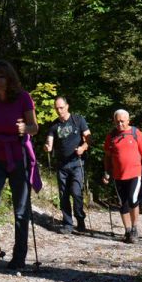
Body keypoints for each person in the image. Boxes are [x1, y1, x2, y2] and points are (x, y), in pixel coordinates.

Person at [0, 61, 41, 272]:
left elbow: (35, 128)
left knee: (21, 208)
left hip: (18, 155)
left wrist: (25, 127)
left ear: (9, 78)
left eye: (1, 77)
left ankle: (19, 255)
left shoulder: (23, 98)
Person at [102, 109, 142, 243]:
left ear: (128, 121)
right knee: (122, 203)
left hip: (135, 174)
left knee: (133, 200)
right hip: (118, 176)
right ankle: (128, 231)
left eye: (122, 121)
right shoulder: (111, 136)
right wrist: (106, 172)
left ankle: (135, 228)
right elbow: (107, 156)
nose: (120, 124)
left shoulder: (136, 133)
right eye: (117, 121)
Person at [44, 96, 91, 234]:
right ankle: (67, 223)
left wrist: (83, 147)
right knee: (63, 195)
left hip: (77, 163)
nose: (59, 111)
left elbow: (89, 138)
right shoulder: (54, 125)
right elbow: (49, 143)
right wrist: (47, 147)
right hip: (62, 165)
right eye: (56, 108)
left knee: (76, 193)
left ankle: (80, 220)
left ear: (67, 106)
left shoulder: (78, 120)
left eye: (61, 108)